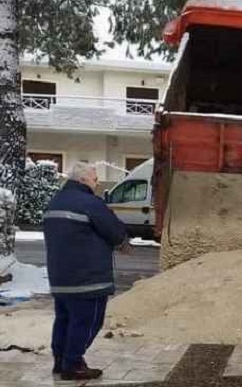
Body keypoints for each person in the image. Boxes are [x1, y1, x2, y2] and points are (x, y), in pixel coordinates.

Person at [43, 162, 133, 380]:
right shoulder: (89, 203)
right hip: (88, 278)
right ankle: (73, 364)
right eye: (95, 179)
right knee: (87, 321)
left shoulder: (55, 202)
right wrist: (123, 242)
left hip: (60, 277)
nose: (97, 183)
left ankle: (60, 360)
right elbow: (113, 230)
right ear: (83, 180)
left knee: (64, 319)